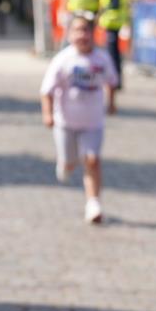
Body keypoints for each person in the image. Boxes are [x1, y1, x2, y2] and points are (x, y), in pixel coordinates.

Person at [40, 13, 118, 224]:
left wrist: (111, 102)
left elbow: (111, 81)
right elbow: (46, 90)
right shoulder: (63, 60)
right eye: (77, 30)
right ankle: (65, 164)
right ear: (69, 34)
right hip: (66, 123)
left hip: (93, 122)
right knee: (71, 163)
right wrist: (48, 114)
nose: (81, 35)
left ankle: (93, 203)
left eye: (85, 30)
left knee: (92, 160)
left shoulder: (102, 59)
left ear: (93, 33)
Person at [98, 0, 129, 89]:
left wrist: (103, 10)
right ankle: (114, 80)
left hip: (113, 20)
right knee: (113, 53)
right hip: (111, 21)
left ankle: (115, 81)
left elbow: (114, 3)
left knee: (113, 54)